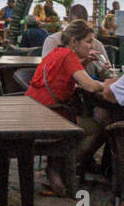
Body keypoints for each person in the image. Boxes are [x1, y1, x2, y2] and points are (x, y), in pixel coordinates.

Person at [25, 21, 113, 195]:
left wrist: (85, 62)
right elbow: (89, 86)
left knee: (84, 121)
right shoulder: (68, 56)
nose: (92, 45)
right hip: (50, 117)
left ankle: (58, 169)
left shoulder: (57, 53)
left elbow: (64, 76)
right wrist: (110, 85)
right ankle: (66, 165)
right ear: (74, 42)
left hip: (35, 112)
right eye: (88, 41)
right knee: (101, 127)